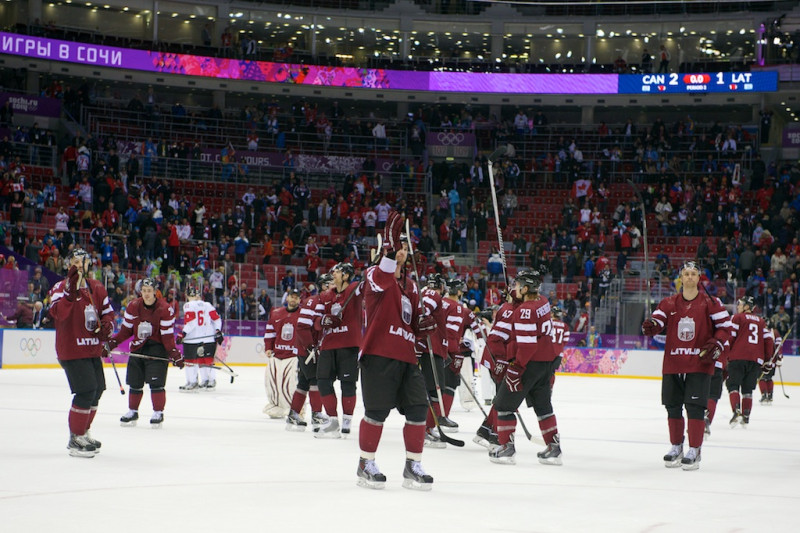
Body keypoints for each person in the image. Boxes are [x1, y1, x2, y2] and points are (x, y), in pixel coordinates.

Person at [356, 211, 436, 490]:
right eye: (396, 246)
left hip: (406, 357)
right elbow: (383, 273)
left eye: (404, 247)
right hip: (379, 354)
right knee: (376, 412)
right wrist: (388, 252)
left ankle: (412, 465)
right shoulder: (374, 275)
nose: (401, 251)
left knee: (418, 408)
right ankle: (366, 463)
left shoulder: (412, 287)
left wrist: (423, 325)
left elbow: (413, 324)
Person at [641, 261, 732, 470]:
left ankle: (695, 449)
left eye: (693, 274)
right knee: (672, 406)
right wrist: (651, 326)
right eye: (686, 273)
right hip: (673, 363)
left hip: (699, 363)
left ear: (699, 278)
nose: (690, 277)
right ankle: (676, 446)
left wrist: (717, 343)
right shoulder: (669, 303)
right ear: (681, 277)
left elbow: (725, 328)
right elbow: (658, 321)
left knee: (695, 408)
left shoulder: (711, 302)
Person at [489, 269, 562, 466]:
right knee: (543, 407)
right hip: (546, 364)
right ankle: (554, 449)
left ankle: (506, 449)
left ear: (526, 287)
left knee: (503, 405)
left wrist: (516, 368)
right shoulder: (543, 302)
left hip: (528, 365)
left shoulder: (524, 311)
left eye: (519, 285)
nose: (515, 287)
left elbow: (527, 345)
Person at [48, 248, 114, 457]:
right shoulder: (60, 287)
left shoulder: (96, 287)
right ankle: (75, 438)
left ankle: (83, 432)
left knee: (98, 389)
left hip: (92, 349)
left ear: (88, 265)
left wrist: (107, 328)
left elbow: (108, 314)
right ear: (70, 265)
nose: (79, 265)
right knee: (86, 390)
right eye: (75, 261)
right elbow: (57, 314)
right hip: (71, 349)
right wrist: (70, 293)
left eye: (82, 261)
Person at [108, 278, 184, 428]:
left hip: (157, 349)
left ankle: (158, 412)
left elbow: (167, 337)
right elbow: (125, 331)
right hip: (138, 348)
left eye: (149, 291)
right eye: (144, 291)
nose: (146, 294)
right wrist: (112, 344)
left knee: (156, 384)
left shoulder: (165, 309)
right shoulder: (133, 306)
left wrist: (174, 354)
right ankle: (133, 411)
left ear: (156, 291)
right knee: (135, 383)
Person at [313, 262, 363, 438]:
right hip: (328, 345)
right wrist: (323, 321)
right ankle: (333, 420)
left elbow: (369, 286)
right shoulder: (325, 295)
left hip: (349, 344)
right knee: (323, 381)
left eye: (338, 271)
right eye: (333, 271)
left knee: (348, 384)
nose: (333, 274)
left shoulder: (355, 290)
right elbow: (316, 321)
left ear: (347, 276)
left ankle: (347, 420)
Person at [289, 273, 333, 431]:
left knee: (303, 382)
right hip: (307, 350)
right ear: (323, 285)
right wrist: (310, 348)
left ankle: (293, 415)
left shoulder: (324, 302)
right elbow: (301, 327)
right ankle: (316, 416)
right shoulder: (312, 301)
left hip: (310, 349)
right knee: (315, 380)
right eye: (330, 284)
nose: (333, 286)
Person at [725, 296, 774, 428]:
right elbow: (768, 341)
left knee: (733, 385)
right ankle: (746, 416)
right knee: (748, 390)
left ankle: (736, 411)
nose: (738, 307)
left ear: (747, 306)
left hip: (738, 357)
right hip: (755, 360)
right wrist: (767, 360)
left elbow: (731, 337)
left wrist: (726, 353)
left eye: (740, 304)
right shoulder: (761, 321)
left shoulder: (737, 318)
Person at [442, 278, 483, 424]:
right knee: (450, 384)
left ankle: (430, 419)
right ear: (459, 292)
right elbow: (479, 330)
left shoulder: (437, 303)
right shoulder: (461, 309)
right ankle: (442, 416)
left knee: (434, 384)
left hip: (433, 349)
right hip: (451, 351)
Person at [418, 272, 451, 447]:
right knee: (435, 390)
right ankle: (426, 429)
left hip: (431, 348)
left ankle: (426, 427)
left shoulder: (425, 293)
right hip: (430, 350)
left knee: (430, 390)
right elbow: (422, 312)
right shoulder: (432, 293)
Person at [262, 288, 303, 419]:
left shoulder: (303, 314)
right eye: (291, 296)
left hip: (293, 356)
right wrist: (268, 347)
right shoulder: (276, 313)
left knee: (290, 384)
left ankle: (297, 409)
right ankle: (276, 408)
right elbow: (270, 332)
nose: (293, 299)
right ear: (287, 298)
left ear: (299, 300)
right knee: (272, 382)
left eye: (296, 297)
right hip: (277, 354)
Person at [177, 286, 224, 392]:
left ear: (187, 295)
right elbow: (217, 319)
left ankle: (194, 382)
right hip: (207, 336)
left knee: (192, 361)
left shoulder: (189, 305)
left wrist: (183, 333)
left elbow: (191, 322)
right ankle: (208, 380)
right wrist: (217, 331)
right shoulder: (207, 305)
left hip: (194, 337)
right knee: (204, 360)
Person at [758, 320, 782, 404]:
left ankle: (764, 395)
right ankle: (770, 395)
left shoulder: (764, 332)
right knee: (768, 378)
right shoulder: (775, 332)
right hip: (773, 360)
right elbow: (779, 347)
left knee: (762, 378)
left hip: (765, 360)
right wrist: (779, 357)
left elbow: (778, 346)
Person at [548, 306, 571, 390]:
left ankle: (543, 390)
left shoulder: (549, 323)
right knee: (552, 372)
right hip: (559, 353)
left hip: (548, 352)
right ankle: (550, 388)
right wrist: (559, 347)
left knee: (543, 372)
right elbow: (565, 340)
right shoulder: (565, 325)